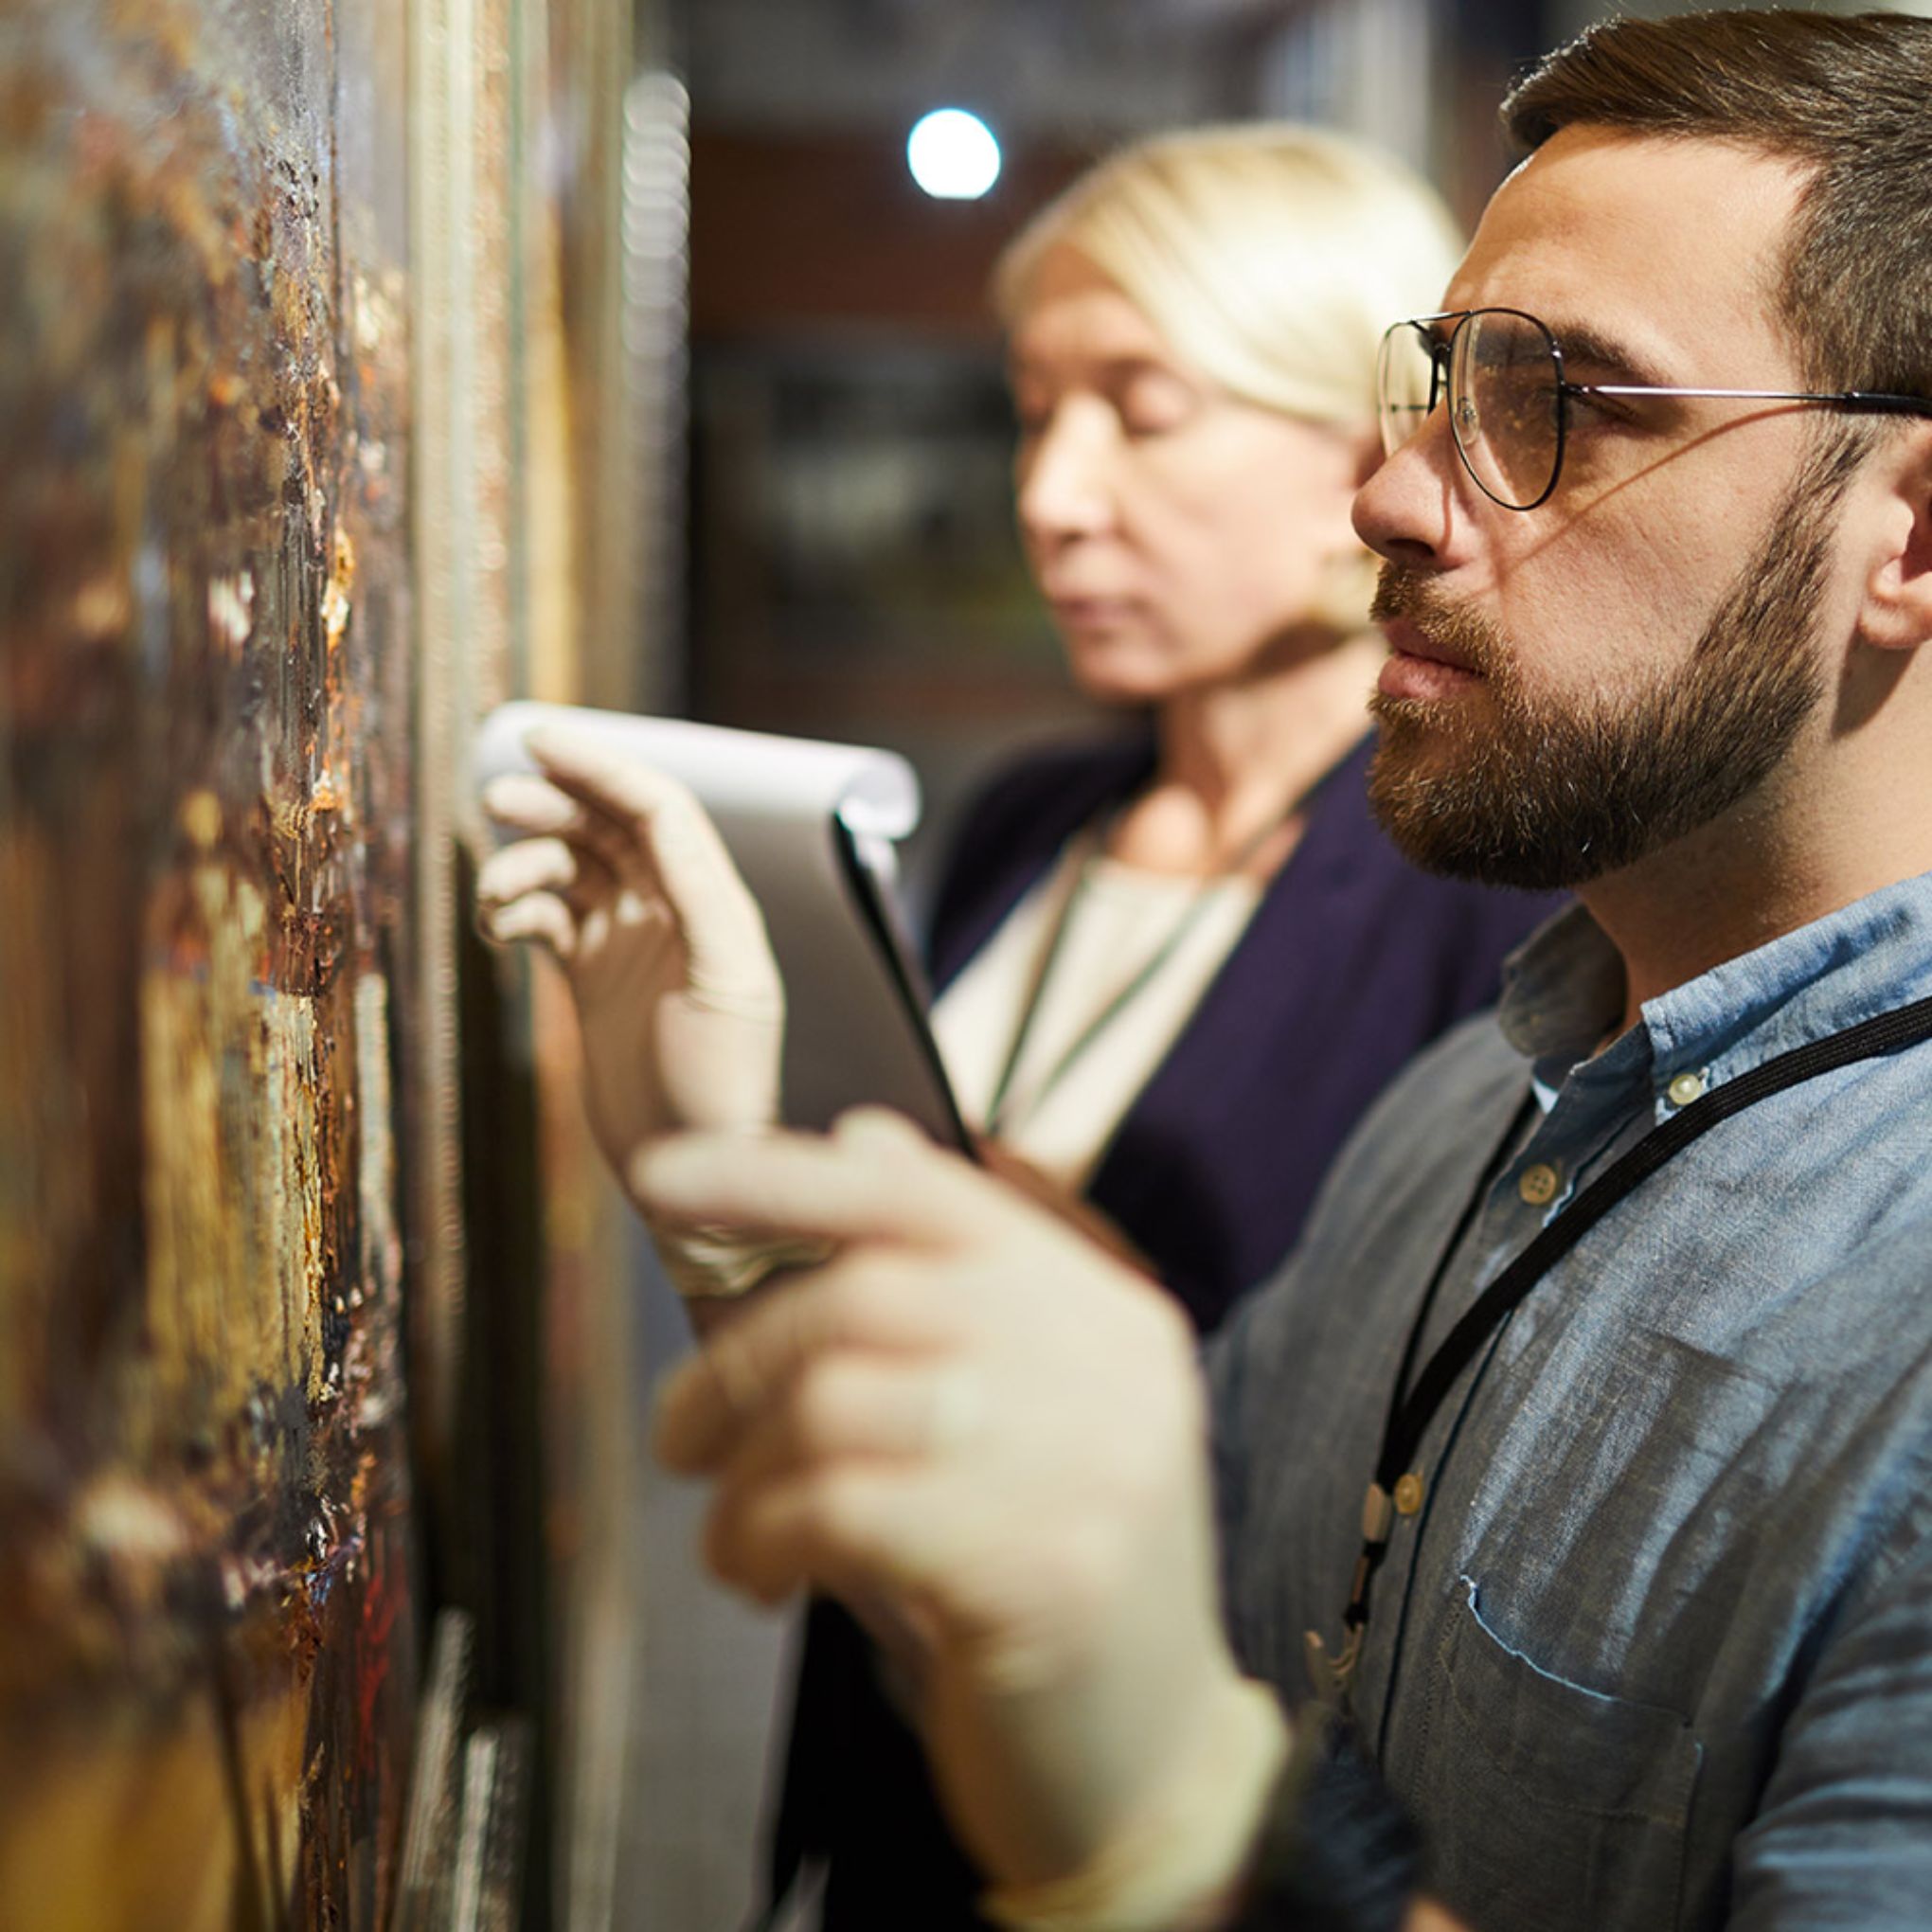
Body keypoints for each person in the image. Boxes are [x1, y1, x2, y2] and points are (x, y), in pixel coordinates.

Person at [611, 9, 1932, 1929]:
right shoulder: (1476, 1100)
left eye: (1559, 401)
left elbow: (1135, 1723)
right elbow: (1071, 1589)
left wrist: (1196, 1842)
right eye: (1442, 383)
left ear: (1909, 534)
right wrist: (757, 1184)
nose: (1393, 499)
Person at [480, 125, 1558, 1927]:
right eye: (1034, 409)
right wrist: (708, 1183)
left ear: (1362, 440)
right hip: (894, 1763)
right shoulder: (1025, 816)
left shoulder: (1488, 921)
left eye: (1140, 409)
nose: (1050, 494)